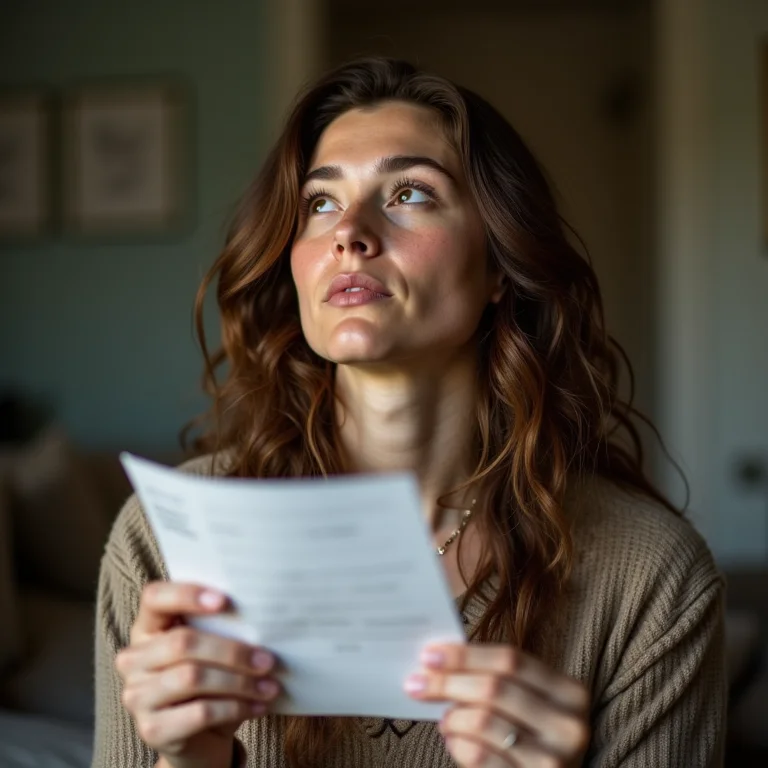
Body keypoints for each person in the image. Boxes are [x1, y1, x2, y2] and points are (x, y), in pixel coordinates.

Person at [92, 58, 725, 768]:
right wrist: (188, 762)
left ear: (497, 267)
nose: (350, 234)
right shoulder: (166, 545)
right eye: (320, 204)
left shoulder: (651, 577)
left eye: (411, 194)